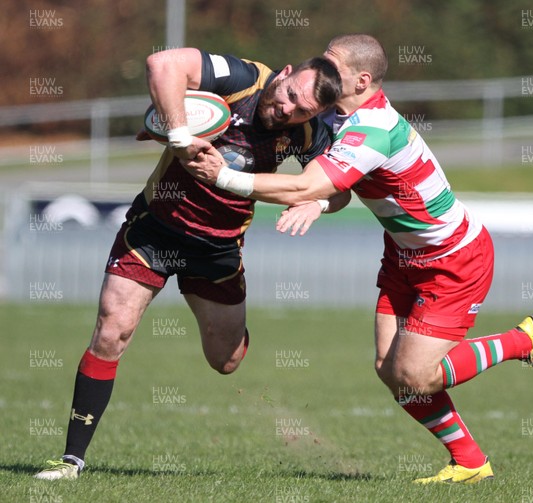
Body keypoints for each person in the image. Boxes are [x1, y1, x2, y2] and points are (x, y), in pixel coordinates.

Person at [188, 33, 533, 484]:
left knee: (415, 374)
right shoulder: (335, 113)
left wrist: (226, 177)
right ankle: (469, 461)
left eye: (333, 67)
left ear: (362, 80)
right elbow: (334, 190)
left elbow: (306, 184)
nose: (321, 72)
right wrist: (321, 200)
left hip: (453, 258)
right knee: (390, 371)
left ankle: (524, 342)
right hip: (404, 255)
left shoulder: (373, 129)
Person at [34, 47, 342, 480]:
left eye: (299, 109)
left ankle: (233, 327)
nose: (286, 108)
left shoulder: (310, 131)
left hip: (217, 249)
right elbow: (163, 65)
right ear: (286, 73)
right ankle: (70, 461)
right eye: (288, 93)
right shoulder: (243, 79)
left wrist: (320, 203)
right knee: (111, 329)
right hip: (155, 229)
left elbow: (339, 187)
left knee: (226, 361)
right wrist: (176, 132)